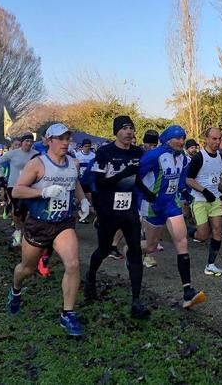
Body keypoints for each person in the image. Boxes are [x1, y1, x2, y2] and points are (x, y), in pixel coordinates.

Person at [7, 123, 92, 336]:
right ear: (48, 141)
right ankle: (15, 290)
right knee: (27, 269)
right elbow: (17, 191)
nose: (65, 143)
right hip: (39, 223)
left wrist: (83, 200)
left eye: (67, 138)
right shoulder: (37, 164)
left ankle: (68, 314)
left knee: (73, 264)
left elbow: (75, 183)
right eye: (60, 139)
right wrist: (43, 192)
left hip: (63, 223)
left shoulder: (73, 162)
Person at [84, 116, 149, 318]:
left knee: (135, 252)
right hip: (108, 210)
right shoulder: (104, 152)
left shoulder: (137, 152)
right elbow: (99, 183)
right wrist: (122, 173)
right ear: (116, 132)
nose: (129, 132)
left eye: (131, 128)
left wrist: (148, 194)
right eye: (124, 128)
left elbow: (135, 178)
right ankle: (90, 276)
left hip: (129, 209)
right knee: (104, 250)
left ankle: (136, 301)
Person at [139, 125, 206, 309]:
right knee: (151, 246)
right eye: (177, 138)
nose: (181, 141)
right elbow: (136, 177)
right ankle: (131, 249)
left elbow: (181, 179)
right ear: (167, 138)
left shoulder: (182, 156)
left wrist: (185, 193)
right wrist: (144, 196)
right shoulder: (154, 155)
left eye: (183, 138)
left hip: (171, 204)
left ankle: (188, 292)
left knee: (182, 242)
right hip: (153, 205)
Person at [185, 127, 222, 277]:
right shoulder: (199, 157)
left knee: (217, 230)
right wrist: (204, 191)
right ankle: (184, 230)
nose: (217, 141)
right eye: (214, 139)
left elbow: (216, 178)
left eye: (219, 139)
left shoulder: (220, 156)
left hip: (214, 199)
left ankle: (211, 265)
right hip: (199, 200)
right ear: (206, 139)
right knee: (202, 236)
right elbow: (188, 180)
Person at [0, 134, 37, 247]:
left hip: (29, 186)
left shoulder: (36, 154)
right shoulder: (13, 153)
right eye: (26, 141)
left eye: (31, 141)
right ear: (22, 142)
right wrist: (1, 176)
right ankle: (18, 230)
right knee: (17, 208)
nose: (29, 143)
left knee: (25, 209)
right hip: (13, 185)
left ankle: (23, 232)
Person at [73, 139, 96, 223]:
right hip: (80, 179)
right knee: (79, 198)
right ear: (82, 147)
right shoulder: (77, 155)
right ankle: (71, 209)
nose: (87, 148)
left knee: (89, 197)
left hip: (89, 180)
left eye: (89, 146)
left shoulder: (93, 155)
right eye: (86, 146)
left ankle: (84, 215)